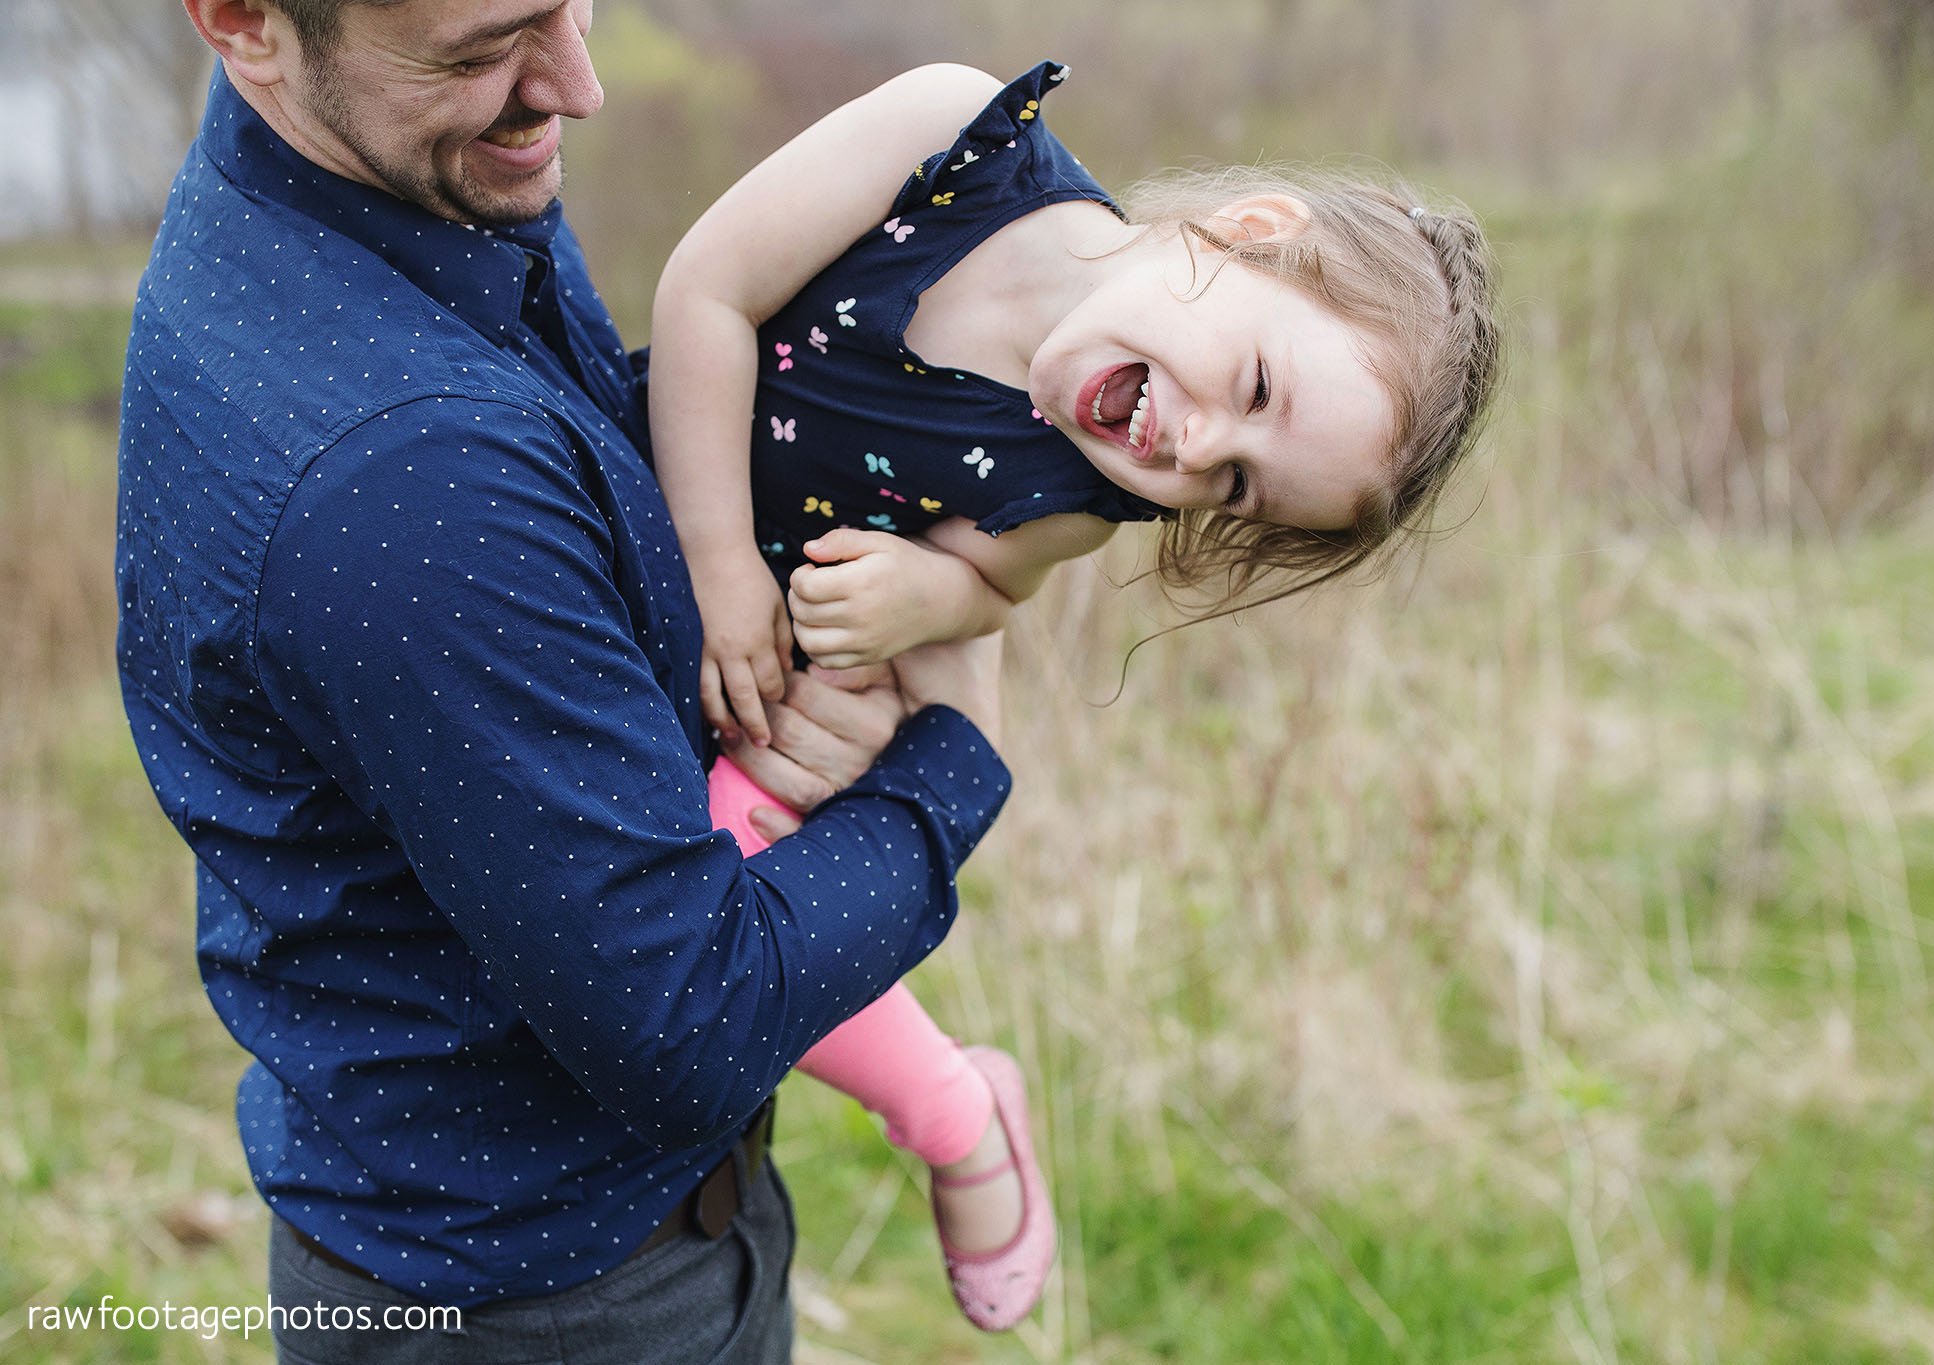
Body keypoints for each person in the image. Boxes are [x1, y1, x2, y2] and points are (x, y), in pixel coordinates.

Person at [117, 3, 1014, 1361]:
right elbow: (688, 1021)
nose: (575, 87)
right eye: (484, 47)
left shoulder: (378, 182)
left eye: (570, 4)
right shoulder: (409, 478)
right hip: (555, 1313)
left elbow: (567, 481)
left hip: (487, 1236)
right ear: (244, 21)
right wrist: (952, 758)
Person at [648, 60, 1501, 1332]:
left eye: (1237, 489)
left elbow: (987, 584)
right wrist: (718, 564)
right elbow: (704, 293)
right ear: (1248, 235)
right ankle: (954, 1105)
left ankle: (947, 1115)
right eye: (1256, 388)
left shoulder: (1078, 489)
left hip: (779, 678)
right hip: (658, 535)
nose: (1197, 450)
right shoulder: (949, 144)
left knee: (699, 919)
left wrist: (916, 603)